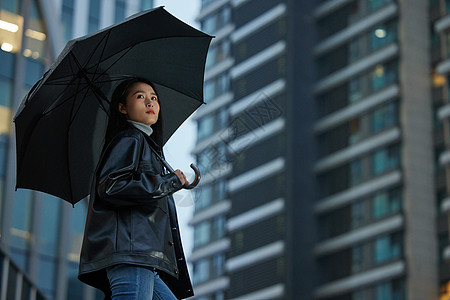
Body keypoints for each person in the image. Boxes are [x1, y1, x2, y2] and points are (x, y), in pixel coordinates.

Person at [78, 77, 194, 299]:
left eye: (154, 98)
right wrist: (169, 182)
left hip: (142, 258)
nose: (150, 103)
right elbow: (112, 186)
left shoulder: (145, 144)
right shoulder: (130, 139)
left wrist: (173, 182)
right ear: (122, 108)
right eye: (140, 97)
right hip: (132, 254)